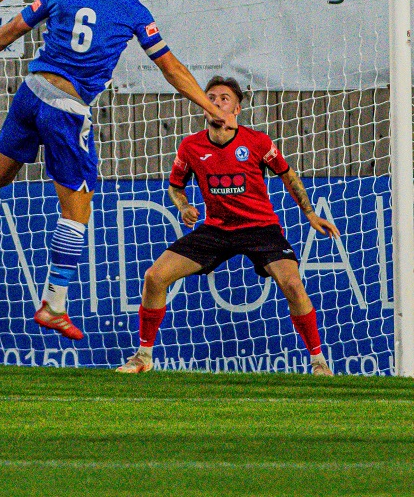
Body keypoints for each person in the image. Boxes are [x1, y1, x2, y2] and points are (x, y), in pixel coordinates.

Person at [0, 0, 236, 340]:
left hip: (30, 91)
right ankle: (53, 304)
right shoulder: (130, 7)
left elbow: (14, 28)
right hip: (65, 109)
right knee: (77, 210)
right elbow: (169, 66)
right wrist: (208, 107)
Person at [116, 76, 339, 376]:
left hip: (260, 228)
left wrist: (310, 213)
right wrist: (183, 206)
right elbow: (175, 186)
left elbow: (287, 175)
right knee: (154, 277)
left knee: (292, 285)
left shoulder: (257, 142)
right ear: (202, 105)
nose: (217, 101)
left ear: (236, 109)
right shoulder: (191, 146)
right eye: (211, 96)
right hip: (217, 230)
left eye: (224, 97)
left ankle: (318, 362)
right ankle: (143, 356)